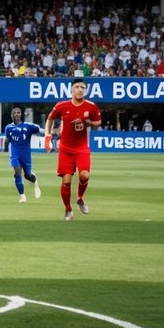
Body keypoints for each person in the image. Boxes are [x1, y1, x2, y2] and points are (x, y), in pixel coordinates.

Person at [44, 77, 102, 220]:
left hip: (82, 148)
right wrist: (47, 137)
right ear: (71, 89)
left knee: (84, 175)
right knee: (66, 181)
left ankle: (80, 198)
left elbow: (98, 123)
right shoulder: (62, 106)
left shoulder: (91, 106)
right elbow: (50, 119)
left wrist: (88, 122)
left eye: (83, 87)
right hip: (65, 149)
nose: (80, 90)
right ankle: (68, 210)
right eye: (77, 87)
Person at [3, 107, 43, 203]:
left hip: (25, 154)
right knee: (17, 172)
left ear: (21, 115)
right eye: (14, 113)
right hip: (15, 153)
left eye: (18, 113)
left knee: (27, 175)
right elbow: (8, 138)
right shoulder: (8, 127)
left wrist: (48, 134)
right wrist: (5, 145)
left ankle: (34, 180)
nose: (16, 114)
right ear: (11, 115)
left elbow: (39, 130)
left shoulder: (28, 126)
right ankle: (22, 196)